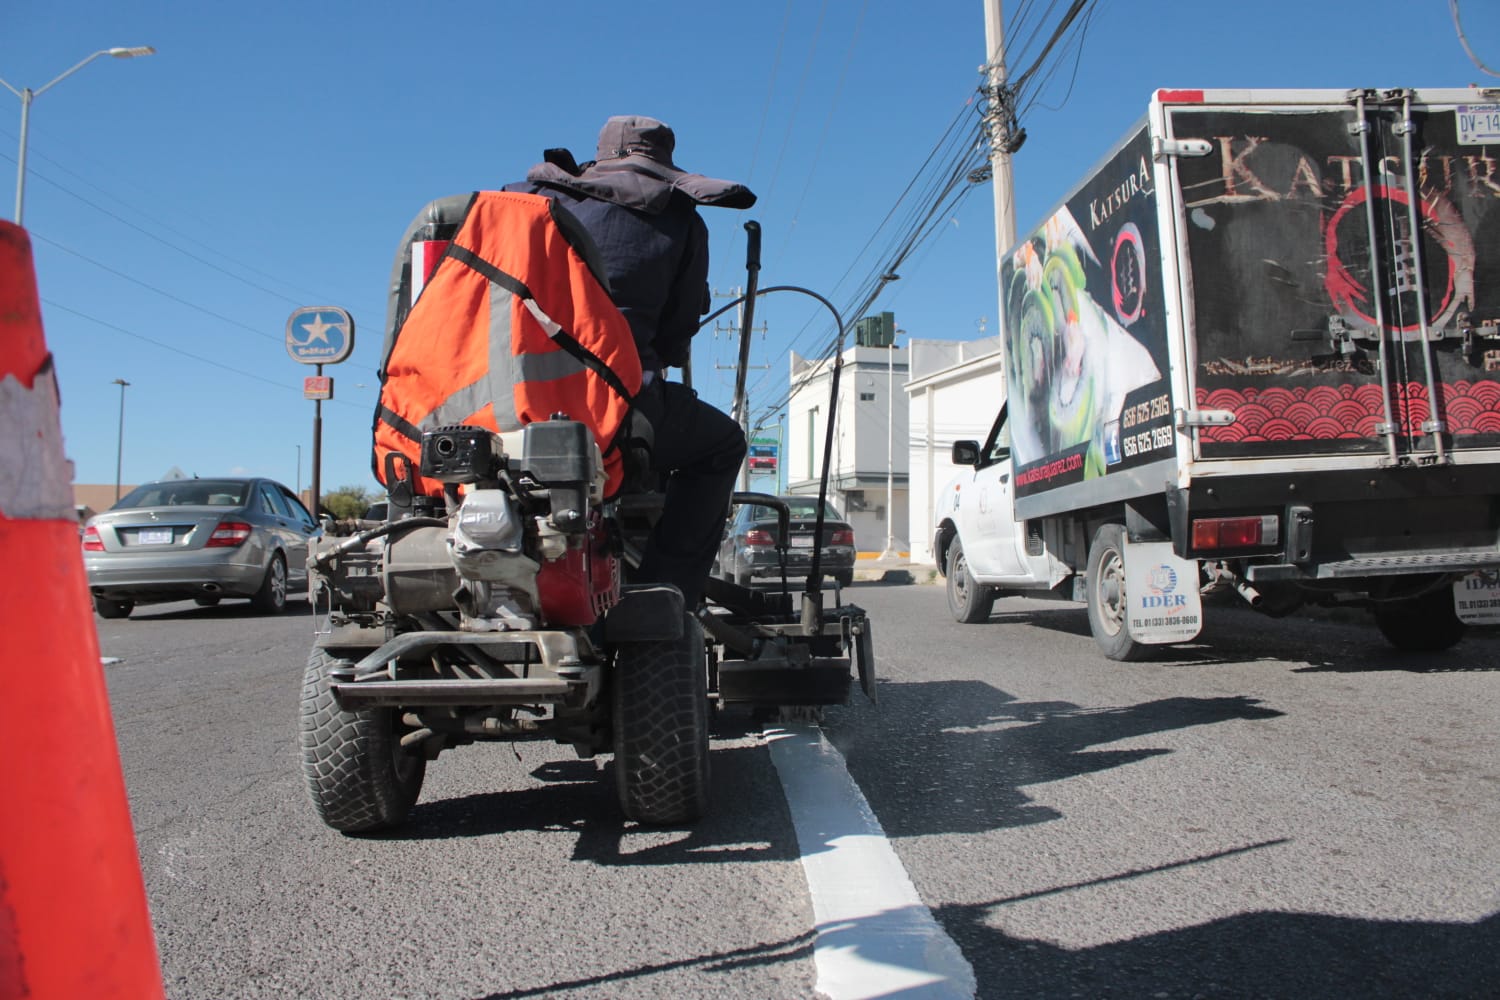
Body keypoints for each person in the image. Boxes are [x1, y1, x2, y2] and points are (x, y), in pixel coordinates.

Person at [509, 115, 755, 609]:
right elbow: (674, 335)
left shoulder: (520, 202)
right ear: (663, 165)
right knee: (722, 445)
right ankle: (661, 598)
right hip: (616, 411)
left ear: (596, 161)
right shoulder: (677, 218)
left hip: (501, 403)